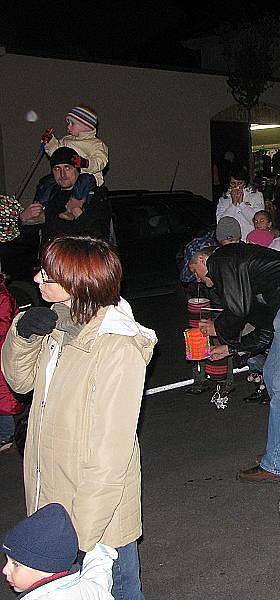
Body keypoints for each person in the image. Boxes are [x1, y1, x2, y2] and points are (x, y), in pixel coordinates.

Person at [1, 236, 157, 600]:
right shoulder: (59, 325)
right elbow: (19, 382)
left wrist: (81, 539)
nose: (37, 278)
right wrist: (22, 336)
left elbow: (110, 454)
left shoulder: (116, 346)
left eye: (48, 274)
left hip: (93, 524)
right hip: (52, 503)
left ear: (76, 282)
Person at [188, 243, 280, 482]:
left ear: (203, 259)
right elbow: (264, 329)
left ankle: (278, 464)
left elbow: (237, 310)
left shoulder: (222, 259)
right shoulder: (247, 279)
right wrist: (231, 348)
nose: (198, 280)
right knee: (274, 374)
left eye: (194, 271)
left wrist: (217, 327)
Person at [2, 503, 115, 599]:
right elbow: (99, 574)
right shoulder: (88, 588)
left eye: (15, 565)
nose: (5, 570)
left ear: (44, 568)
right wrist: (102, 551)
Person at [21, 148, 111, 245]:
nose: (62, 174)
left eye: (67, 168)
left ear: (77, 169)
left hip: (80, 257)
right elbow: (29, 239)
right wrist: (23, 219)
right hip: (52, 256)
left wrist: (77, 212)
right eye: (57, 169)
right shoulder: (48, 194)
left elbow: (100, 237)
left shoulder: (95, 194)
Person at [40, 105, 108, 206]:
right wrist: (50, 142)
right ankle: (41, 206)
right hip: (70, 180)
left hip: (89, 176)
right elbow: (57, 154)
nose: (68, 126)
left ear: (86, 126)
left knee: (84, 180)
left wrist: (85, 163)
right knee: (47, 181)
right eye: (68, 123)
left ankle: (75, 204)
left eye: (72, 123)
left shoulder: (96, 144)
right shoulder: (66, 140)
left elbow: (101, 161)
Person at [215, 166, 265, 240]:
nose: (236, 187)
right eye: (233, 183)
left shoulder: (256, 196)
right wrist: (233, 205)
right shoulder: (223, 200)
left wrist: (242, 204)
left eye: (239, 183)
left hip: (252, 240)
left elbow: (258, 222)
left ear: (245, 183)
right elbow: (221, 223)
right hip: (231, 241)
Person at [0, 275, 20, 454]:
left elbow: (4, 325)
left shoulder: (3, 297)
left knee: (4, 396)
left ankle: (7, 434)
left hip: (2, 350)